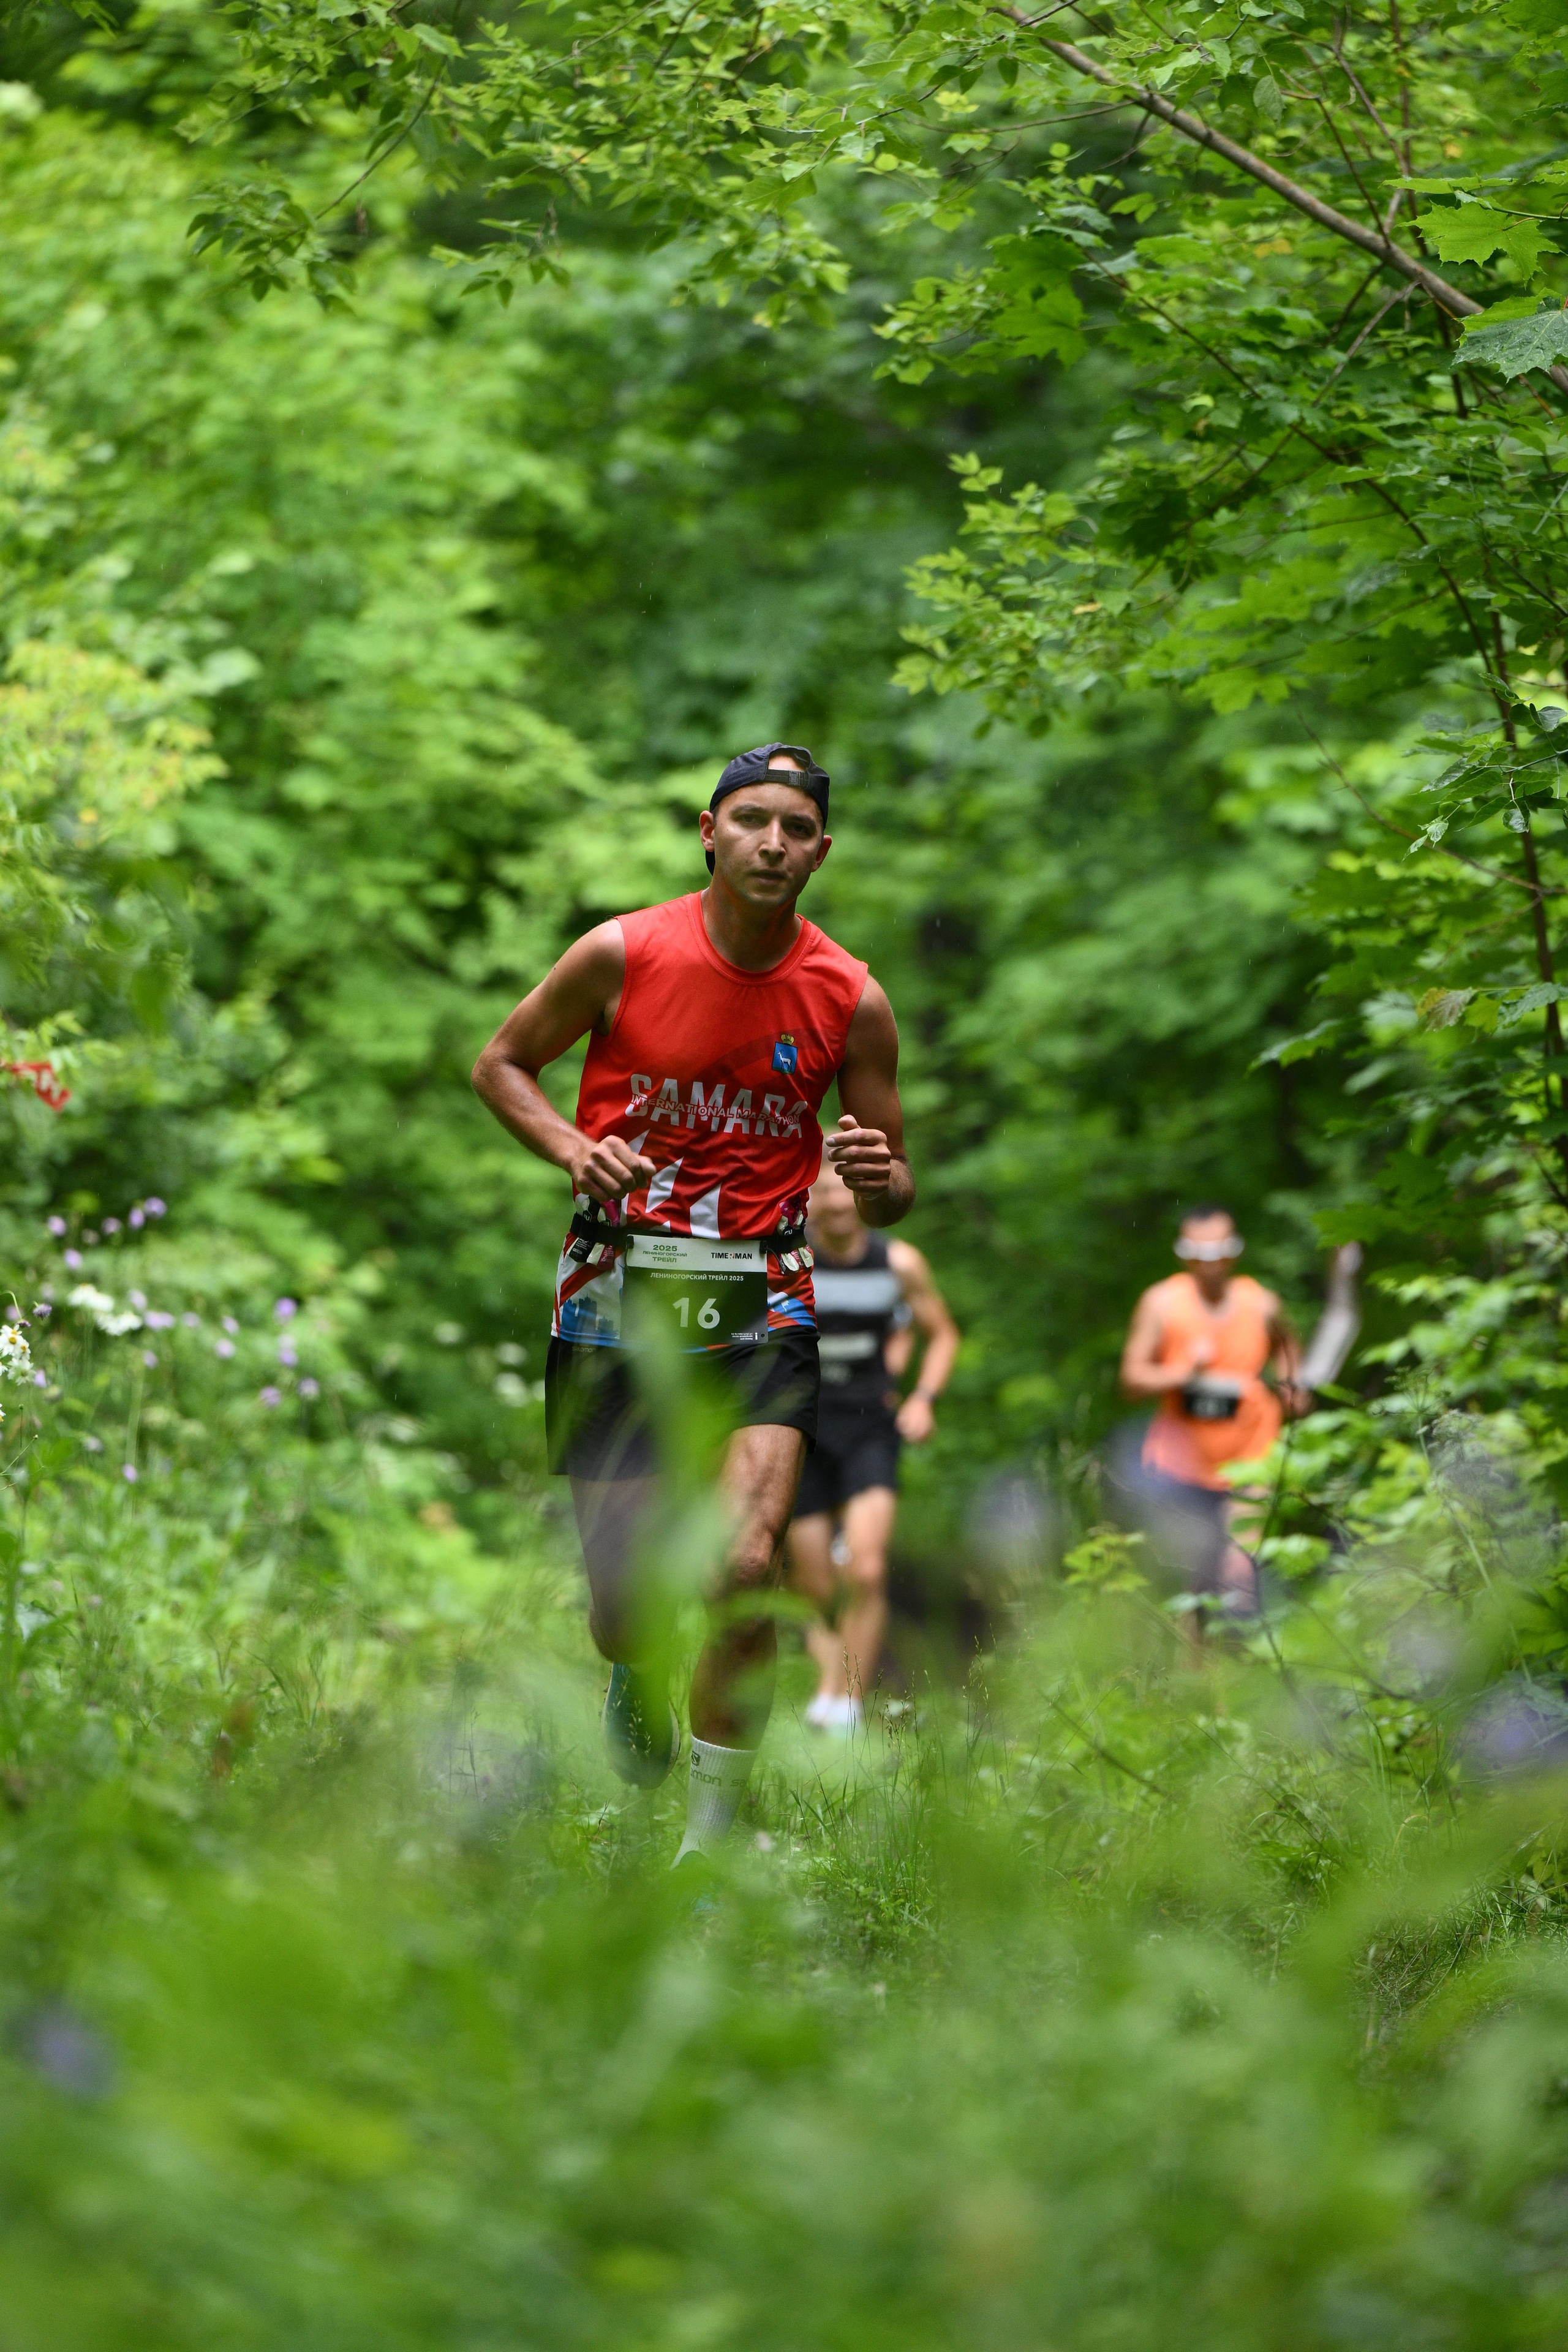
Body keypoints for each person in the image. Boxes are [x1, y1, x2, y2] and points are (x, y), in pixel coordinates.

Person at [471, 744, 914, 1864]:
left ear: (822, 849)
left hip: (765, 1293)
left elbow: (894, 1182)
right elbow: (502, 1064)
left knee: (743, 1564)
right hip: (619, 1288)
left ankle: (712, 1850)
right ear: (708, 832)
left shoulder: (850, 996)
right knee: (623, 1603)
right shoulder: (624, 951)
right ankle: (632, 1665)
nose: (774, 842)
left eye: (798, 827)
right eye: (752, 819)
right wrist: (575, 1147)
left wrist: (877, 1177)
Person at [785, 1158, 959, 1731]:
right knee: (812, 1583)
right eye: (824, 1191)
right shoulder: (787, 1256)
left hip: (869, 1425)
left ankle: (846, 1708)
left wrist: (923, 1398)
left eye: (844, 1190)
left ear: (862, 1192)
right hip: (801, 1426)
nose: (836, 1203)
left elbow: (942, 1334)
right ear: (807, 1195)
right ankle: (827, 1689)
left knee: (865, 1570)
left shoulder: (899, 1262)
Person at [1118, 1205, 1307, 1615]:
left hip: (1251, 1459)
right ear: (1184, 1255)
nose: (1212, 1264)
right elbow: (1131, 1381)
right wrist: (1182, 1374)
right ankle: (1195, 1674)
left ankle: (1248, 1664)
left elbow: (1289, 1347)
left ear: (1234, 1252)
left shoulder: (1261, 1305)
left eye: (1220, 1252)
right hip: (1181, 1465)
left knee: (1239, 1571)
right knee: (1192, 1581)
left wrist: (1293, 1388)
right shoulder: (1162, 1305)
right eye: (1201, 1255)